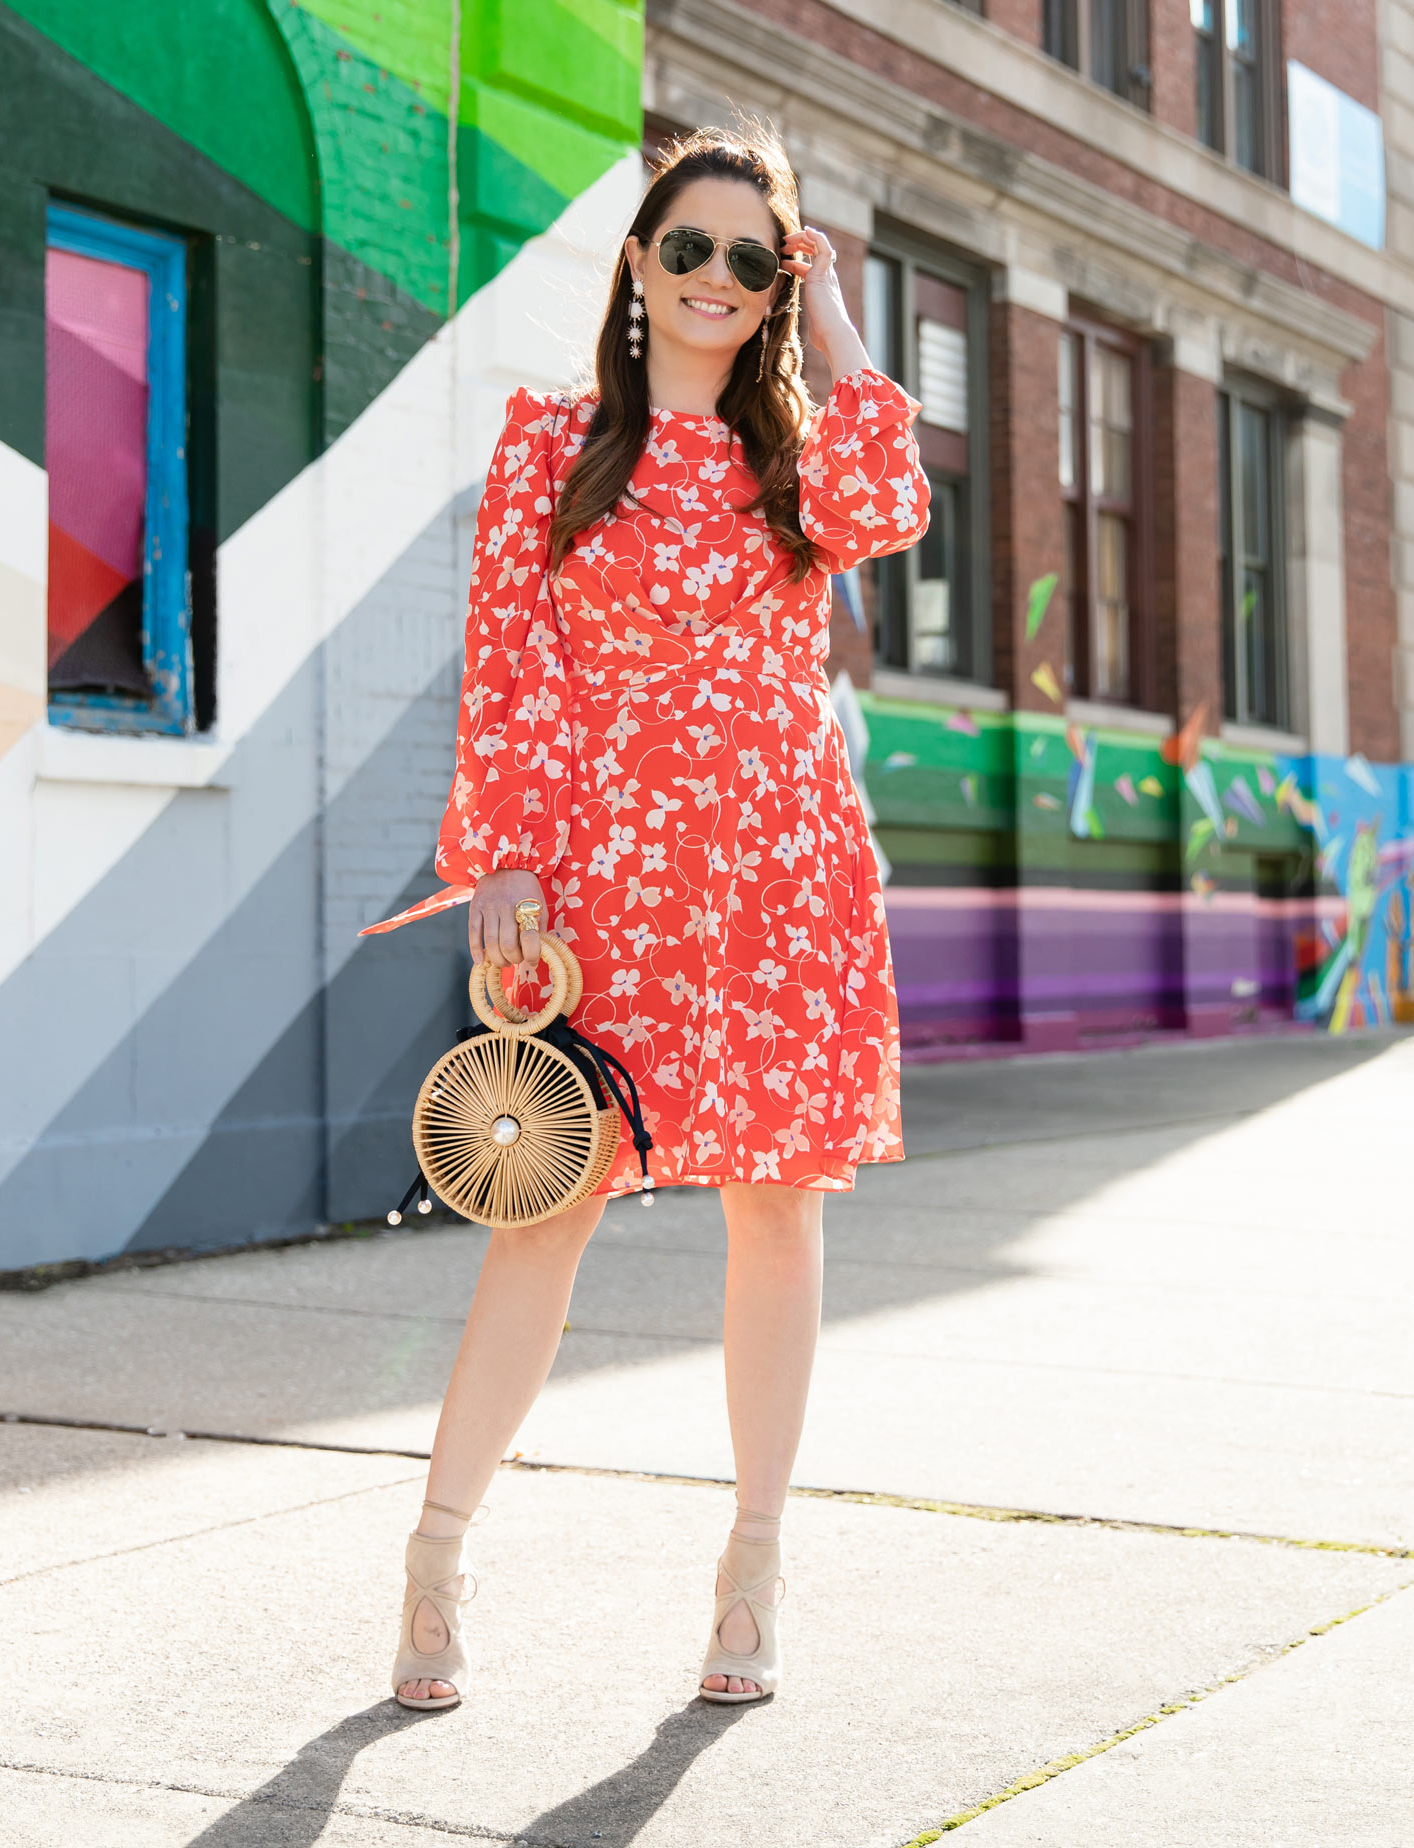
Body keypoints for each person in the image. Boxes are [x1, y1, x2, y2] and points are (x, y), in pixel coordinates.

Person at [391, 120, 929, 1710]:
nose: (715, 278)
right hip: (601, 872)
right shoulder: (552, 442)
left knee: (778, 1208)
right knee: (542, 1208)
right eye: (687, 247)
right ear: (638, 262)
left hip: (777, 869)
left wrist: (831, 313)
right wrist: (502, 852)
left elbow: (893, 495)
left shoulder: (796, 465)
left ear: (773, 287)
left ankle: (752, 1576)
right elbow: (509, 661)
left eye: (750, 261)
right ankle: (434, 1557)